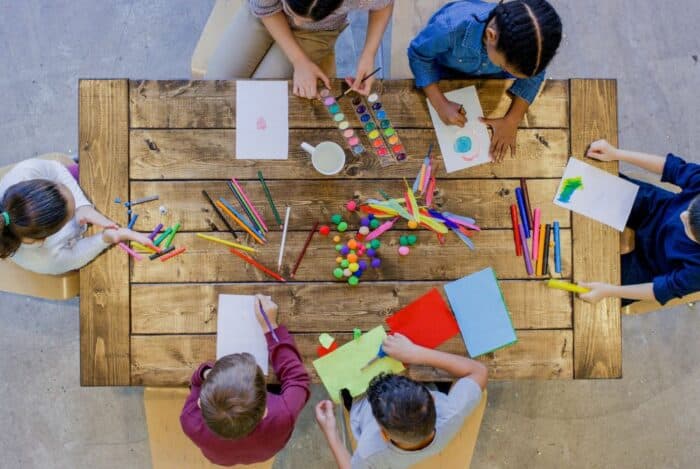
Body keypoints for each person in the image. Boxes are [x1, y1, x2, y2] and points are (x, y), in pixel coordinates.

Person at [408, 0, 562, 161]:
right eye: (505, 66)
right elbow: (418, 55)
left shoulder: (529, 53)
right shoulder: (449, 28)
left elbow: (535, 75)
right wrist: (440, 104)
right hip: (446, 70)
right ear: (491, 35)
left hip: (492, 78)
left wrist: (512, 120)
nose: (511, 72)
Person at [314, 333, 488, 468]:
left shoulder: (370, 452)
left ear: (382, 432)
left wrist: (332, 433)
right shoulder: (450, 415)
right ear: (433, 399)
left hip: (359, 402)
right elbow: (479, 371)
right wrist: (416, 353)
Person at [180, 295, 311, 466]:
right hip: (264, 449)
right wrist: (270, 327)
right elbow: (297, 378)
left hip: (222, 456)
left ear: (200, 403)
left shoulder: (189, 420)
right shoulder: (283, 414)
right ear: (265, 411)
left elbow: (196, 383)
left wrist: (205, 373)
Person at [578, 140, 700, 306]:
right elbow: (671, 167)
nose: (683, 216)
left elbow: (663, 289)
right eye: (690, 208)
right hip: (654, 208)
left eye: (688, 227)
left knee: (582, 289)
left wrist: (609, 290)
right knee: (579, 183)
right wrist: (616, 153)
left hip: (651, 266)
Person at [206, 0, 394, 98]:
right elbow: (265, 9)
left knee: (266, 93)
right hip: (266, 15)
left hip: (316, 33)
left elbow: (383, 5)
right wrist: (299, 60)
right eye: (295, 14)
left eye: (305, 19)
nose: (296, 22)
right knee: (215, 83)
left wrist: (369, 54)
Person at [0, 158, 153, 275]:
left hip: (65, 196)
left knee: (97, 168)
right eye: (70, 214)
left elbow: (55, 169)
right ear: (42, 239)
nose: (66, 189)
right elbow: (78, 254)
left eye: (55, 185)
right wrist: (108, 237)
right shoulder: (46, 259)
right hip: (65, 253)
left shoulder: (24, 173)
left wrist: (82, 206)